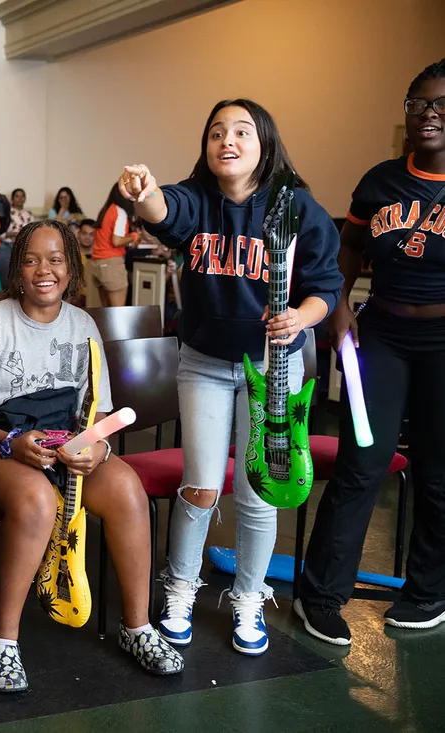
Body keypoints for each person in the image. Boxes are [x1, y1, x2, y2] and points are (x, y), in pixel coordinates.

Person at [121, 98, 342, 656]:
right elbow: (161, 210)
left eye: (242, 131)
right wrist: (144, 190)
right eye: (217, 132)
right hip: (206, 363)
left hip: (275, 367)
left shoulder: (295, 207)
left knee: (258, 493)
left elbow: (326, 288)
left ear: (264, 143)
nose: (228, 141)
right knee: (198, 486)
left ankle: (248, 599)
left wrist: (302, 316)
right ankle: (179, 591)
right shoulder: (197, 200)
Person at [0, 220, 183, 689]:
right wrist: (11, 444)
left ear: (72, 268)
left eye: (55, 260)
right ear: (17, 269)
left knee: (127, 490)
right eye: (31, 259)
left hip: (61, 443)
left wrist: (96, 447)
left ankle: (137, 627)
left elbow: (100, 415)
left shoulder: (83, 325)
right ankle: (3, 642)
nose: (43, 270)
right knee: (37, 498)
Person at [298, 59, 445, 643]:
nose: (429, 112)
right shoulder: (380, 181)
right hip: (379, 335)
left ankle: (428, 592)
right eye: (419, 103)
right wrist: (337, 310)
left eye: (440, 103)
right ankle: (321, 596)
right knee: (363, 463)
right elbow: (349, 250)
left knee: (438, 472)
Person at [90, 185, 139, 307]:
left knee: (105, 312)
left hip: (97, 263)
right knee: (117, 312)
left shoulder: (106, 210)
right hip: (112, 263)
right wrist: (134, 236)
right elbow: (116, 241)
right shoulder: (120, 212)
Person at [0, 188, 35, 289]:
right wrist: (14, 234)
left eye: (22, 196)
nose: (20, 199)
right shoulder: (6, 213)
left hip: (24, 247)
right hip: (6, 245)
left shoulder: (29, 214)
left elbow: (34, 232)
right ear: (12, 198)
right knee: (5, 269)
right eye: (17, 196)